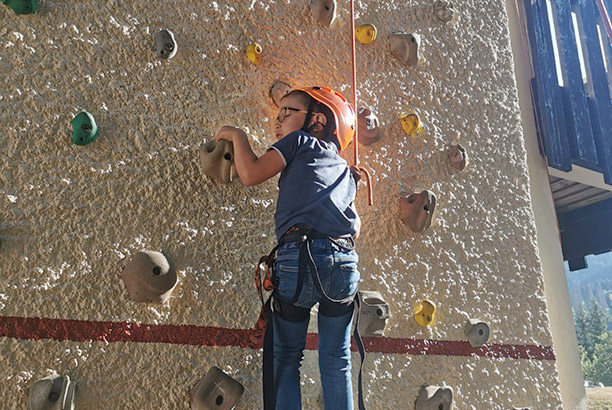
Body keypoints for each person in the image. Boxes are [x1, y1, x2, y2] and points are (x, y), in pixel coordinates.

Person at [215, 86, 361, 410]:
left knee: (286, 358)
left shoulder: (299, 142)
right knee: (337, 361)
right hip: (343, 263)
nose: (276, 123)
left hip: (300, 259)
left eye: (286, 113)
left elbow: (250, 173)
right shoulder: (344, 171)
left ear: (317, 121)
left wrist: (238, 136)